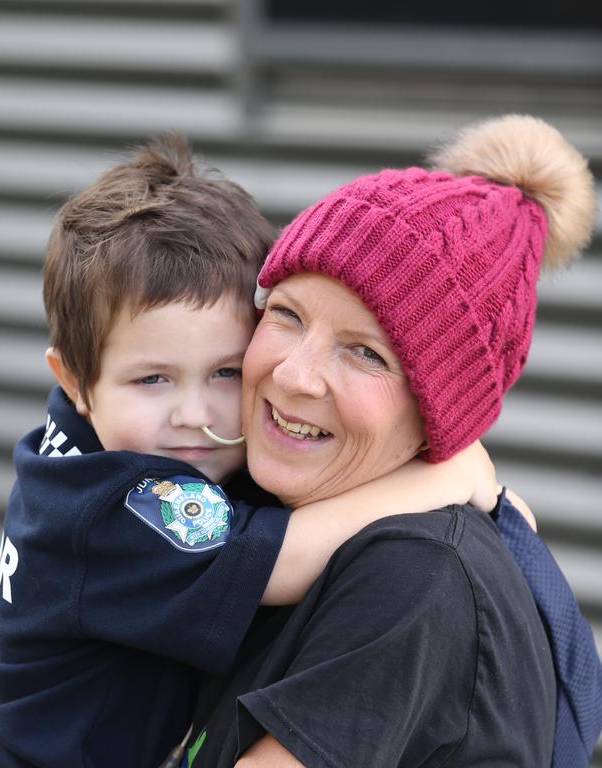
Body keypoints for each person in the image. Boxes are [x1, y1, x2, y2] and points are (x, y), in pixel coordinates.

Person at [0, 135, 497, 768]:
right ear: (74, 380)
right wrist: (451, 475)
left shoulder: (79, 444)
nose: (194, 415)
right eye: (152, 379)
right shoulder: (121, 501)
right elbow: (284, 560)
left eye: (226, 373)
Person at [184, 114, 601, 766]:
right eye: (288, 314)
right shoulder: (274, 512)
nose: (294, 375)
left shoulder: (414, 580)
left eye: (366, 354)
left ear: (441, 412)